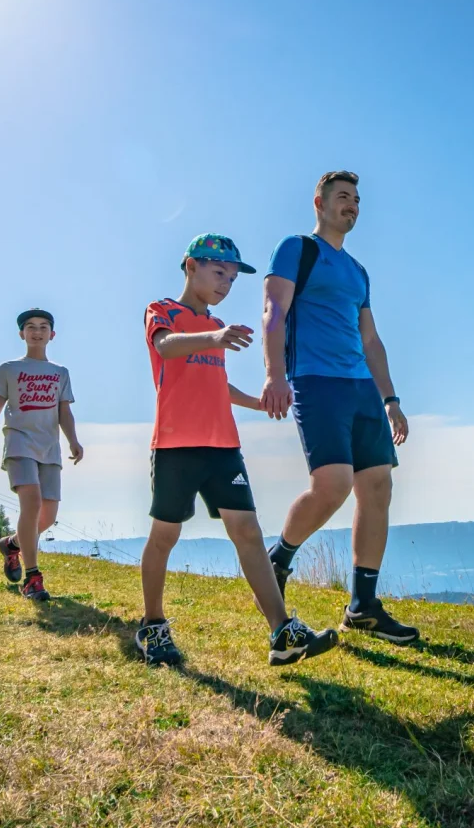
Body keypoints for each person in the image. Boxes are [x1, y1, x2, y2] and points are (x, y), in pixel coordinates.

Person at [139, 232, 338, 666]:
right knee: (165, 536)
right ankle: (152, 625)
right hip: (176, 444)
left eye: (232, 278)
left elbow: (215, 384)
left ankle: (282, 632)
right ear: (191, 266)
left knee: (248, 532)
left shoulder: (215, 328)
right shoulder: (164, 312)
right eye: (218, 273)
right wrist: (214, 338)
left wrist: (259, 400)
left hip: (223, 446)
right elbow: (166, 347)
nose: (226, 284)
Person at [261, 172, 419, 644]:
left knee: (377, 485)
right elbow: (274, 312)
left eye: (356, 200)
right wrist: (273, 375)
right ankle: (279, 561)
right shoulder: (296, 249)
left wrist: (390, 399)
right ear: (320, 203)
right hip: (316, 381)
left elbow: (371, 339)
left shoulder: (358, 272)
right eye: (343, 197)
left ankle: (363, 606)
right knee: (331, 485)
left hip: (361, 388)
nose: (352, 206)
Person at [0, 309, 83, 601]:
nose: (37, 331)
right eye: (31, 327)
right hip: (19, 444)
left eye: (43, 327)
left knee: (47, 516)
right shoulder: (9, 369)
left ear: (52, 334)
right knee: (31, 504)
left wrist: (73, 440)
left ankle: (11, 545)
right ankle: (33, 578)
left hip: (50, 449)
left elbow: (65, 412)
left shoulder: (60, 373)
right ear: (21, 334)